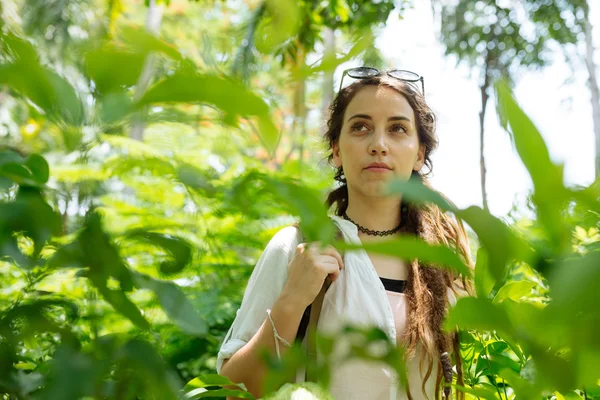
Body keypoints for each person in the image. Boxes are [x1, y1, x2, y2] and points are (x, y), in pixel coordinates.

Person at [217, 67, 473, 400]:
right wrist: (293, 299)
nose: (378, 145)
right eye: (360, 127)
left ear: (419, 153)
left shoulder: (443, 261)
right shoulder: (296, 246)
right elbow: (233, 391)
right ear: (336, 150)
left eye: (397, 129)